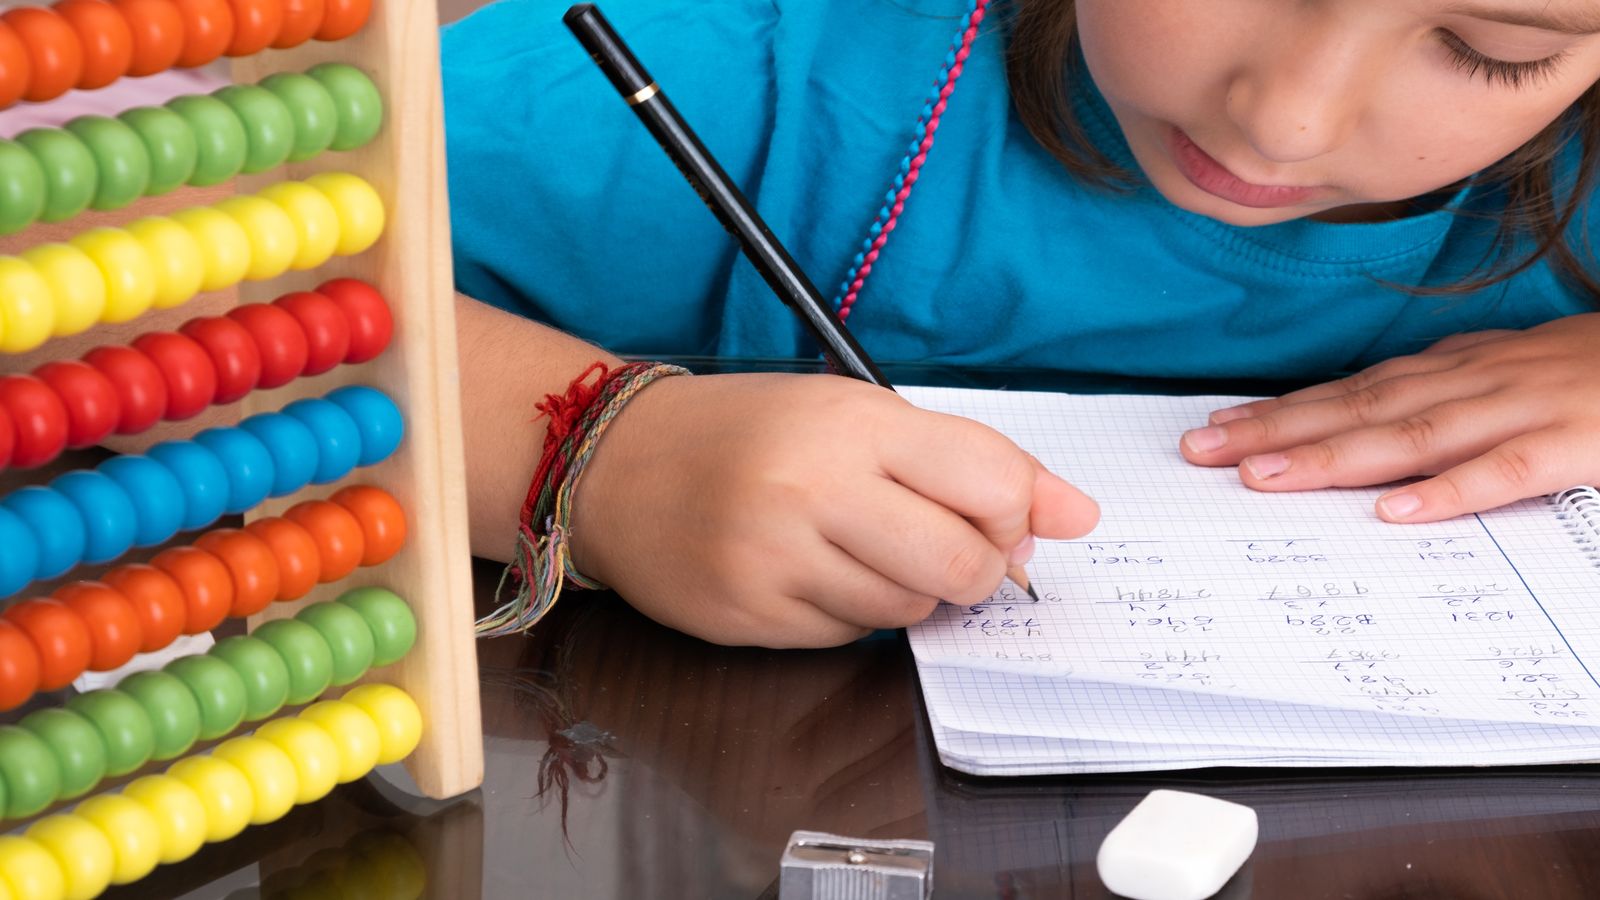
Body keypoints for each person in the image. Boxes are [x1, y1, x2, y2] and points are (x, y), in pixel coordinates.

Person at [439, 0, 1600, 647]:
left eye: (1492, 50)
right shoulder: (740, 64)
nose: (1288, 120)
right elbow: (261, 284)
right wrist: (596, 457)